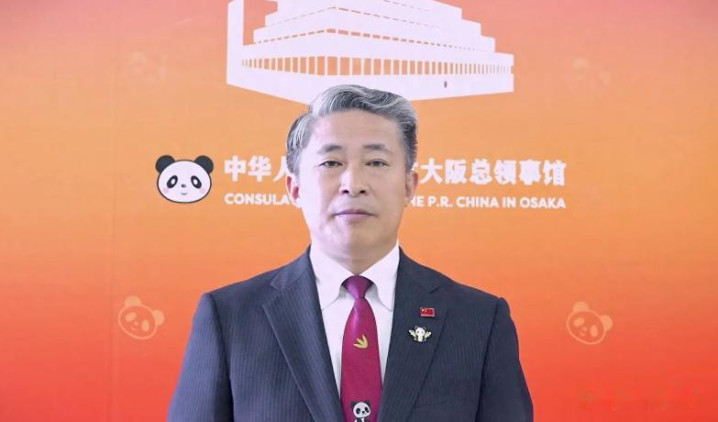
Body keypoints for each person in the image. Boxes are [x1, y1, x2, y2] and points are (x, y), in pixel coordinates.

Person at [168, 85, 533, 421]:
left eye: (376, 163)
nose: (353, 184)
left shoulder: (478, 321)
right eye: (331, 163)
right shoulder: (230, 318)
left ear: (409, 185)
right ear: (294, 188)